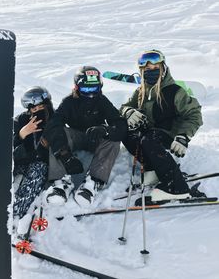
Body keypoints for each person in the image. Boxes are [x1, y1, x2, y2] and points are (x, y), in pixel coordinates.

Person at [120, 49, 203, 201]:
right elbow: (124, 106)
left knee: (149, 139)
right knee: (124, 131)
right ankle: (153, 170)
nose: (151, 72)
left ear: (163, 68)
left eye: (155, 69)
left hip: (171, 135)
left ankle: (177, 187)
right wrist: (129, 112)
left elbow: (194, 114)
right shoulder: (141, 91)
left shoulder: (175, 92)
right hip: (151, 134)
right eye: (147, 70)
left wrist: (183, 136)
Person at [43, 66, 127, 207]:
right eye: (86, 89)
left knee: (114, 140)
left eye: (94, 89)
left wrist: (105, 130)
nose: (91, 94)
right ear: (77, 87)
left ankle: (92, 183)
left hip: (96, 138)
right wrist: (64, 155)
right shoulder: (69, 102)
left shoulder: (102, 101)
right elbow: (53, 125)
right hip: (76, 137)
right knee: (59, 132)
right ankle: (61, 183)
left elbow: (120, 125)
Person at [13, 86, 54, 219]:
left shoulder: (55, 119)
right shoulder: (21, 120)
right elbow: (6, 145)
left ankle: (16, 213)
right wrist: (22, 134)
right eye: (34, 109)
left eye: (41, 107)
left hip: (41, 164)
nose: (37, 111)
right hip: (21, 159)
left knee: (37, 169)